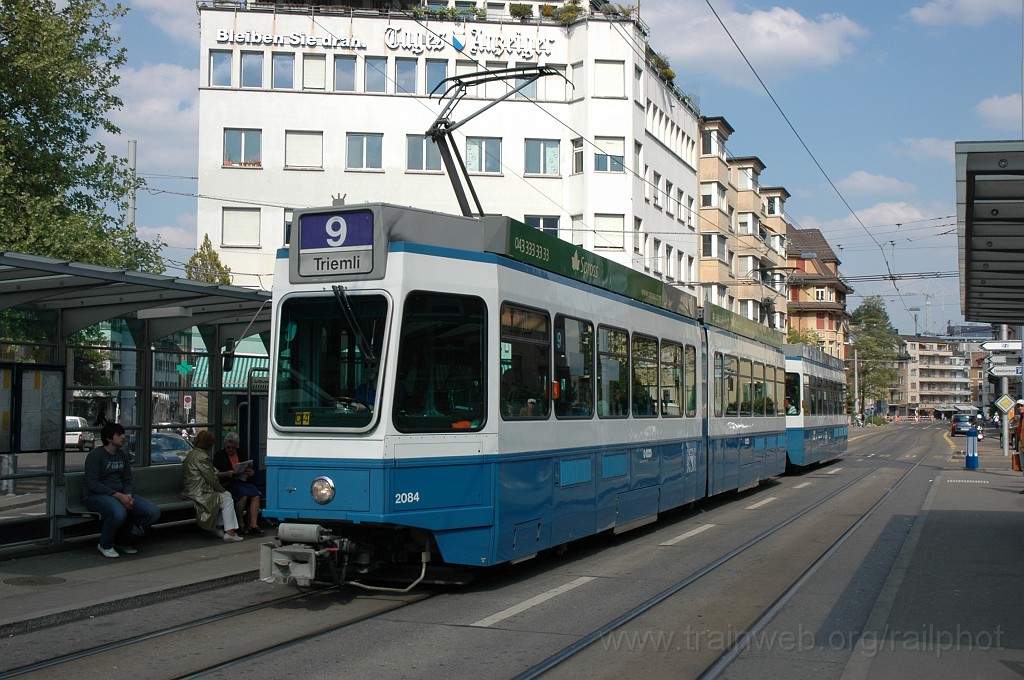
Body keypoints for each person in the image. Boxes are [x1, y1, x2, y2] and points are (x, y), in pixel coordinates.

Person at [83, 422, 161, 558]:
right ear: (109, 438)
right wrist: (119, 496)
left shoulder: (122, 455)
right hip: (97, 496)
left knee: (153, 512)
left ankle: (124, 539)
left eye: (123, 434)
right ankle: (105, 544)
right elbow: (93, 484)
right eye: (119, 434)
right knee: (118, 512)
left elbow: (127, 480)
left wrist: (128, 495)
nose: (123, 437)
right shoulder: (95, 456)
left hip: (122, 494)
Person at [182, 430, 243, 542]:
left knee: (221, 498)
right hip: (199, 491)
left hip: (191, 489)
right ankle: (230, 532)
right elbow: (211, 479)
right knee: (227, 497)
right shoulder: (203, 457)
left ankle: (218, 527)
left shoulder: (193, 454)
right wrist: (222, 490)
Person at [213, 432, 262, 535]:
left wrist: (250, 473)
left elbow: (248, 469)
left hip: (242, 481)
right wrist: (227, 474)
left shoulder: (242, 454)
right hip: (229, 483)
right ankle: (241, 523)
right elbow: (215, 474)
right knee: (243, 495)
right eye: (228, 448)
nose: (230, 450)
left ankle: (253, 524)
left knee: (256, 495)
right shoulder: (219, 456)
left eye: (233, 448)